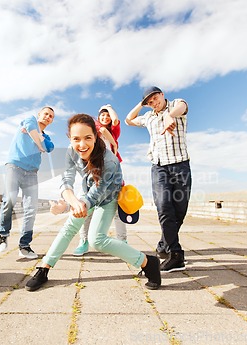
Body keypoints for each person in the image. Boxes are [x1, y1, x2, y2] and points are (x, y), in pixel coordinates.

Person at [25, 114, 161, 291]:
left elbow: (97, 195)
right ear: (70, 139)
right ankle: (44, 268)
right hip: (87, 194)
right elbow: (66, 179)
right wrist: (71, 202)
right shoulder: (71, 151)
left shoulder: (110, 161)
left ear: (96, 137)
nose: (82, 145)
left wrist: (79, 205)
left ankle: (147, 262)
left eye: (88, 138)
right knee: (69, 228)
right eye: (76, 139)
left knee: (97, 240)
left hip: (108, 198)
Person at [125, 86, 191, 272]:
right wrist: (141, 103)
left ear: (162, 95)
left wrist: (171, 116)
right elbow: (128, 120)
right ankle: (176, 254)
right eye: (150, 102)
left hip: (180, 165)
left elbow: (184, 105)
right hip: (159, 167)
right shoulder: (149, 117)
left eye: (155, 98)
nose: (154, 103)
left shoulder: (175, 106)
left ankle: (163, 244)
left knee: (179, 211)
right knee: (163, 206)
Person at [0, 106, 55, 259]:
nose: (48, 117)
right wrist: (38, 141)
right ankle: (3, 234)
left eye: (51, 116)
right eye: (46, 114)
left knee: (31, 208)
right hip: (14, 166)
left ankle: (24, 245)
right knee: (9, 199)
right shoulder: (30, 119)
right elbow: (30, 128)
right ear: (39, 115)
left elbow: (49, 148)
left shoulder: (46, 137)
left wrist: (39, 139)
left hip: (32, 173)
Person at [73, 104, 127, 256]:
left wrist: (109, 107)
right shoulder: (95, 128)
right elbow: (101, 130)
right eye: (102, 115)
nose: (105, 117)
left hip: (113, 173)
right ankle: (83, 241)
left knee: (118, 210)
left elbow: (115, 120)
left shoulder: (114, 131)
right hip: (95, 171)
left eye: (107, 115)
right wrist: (114, 144)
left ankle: (123, 242)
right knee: (88, 208)